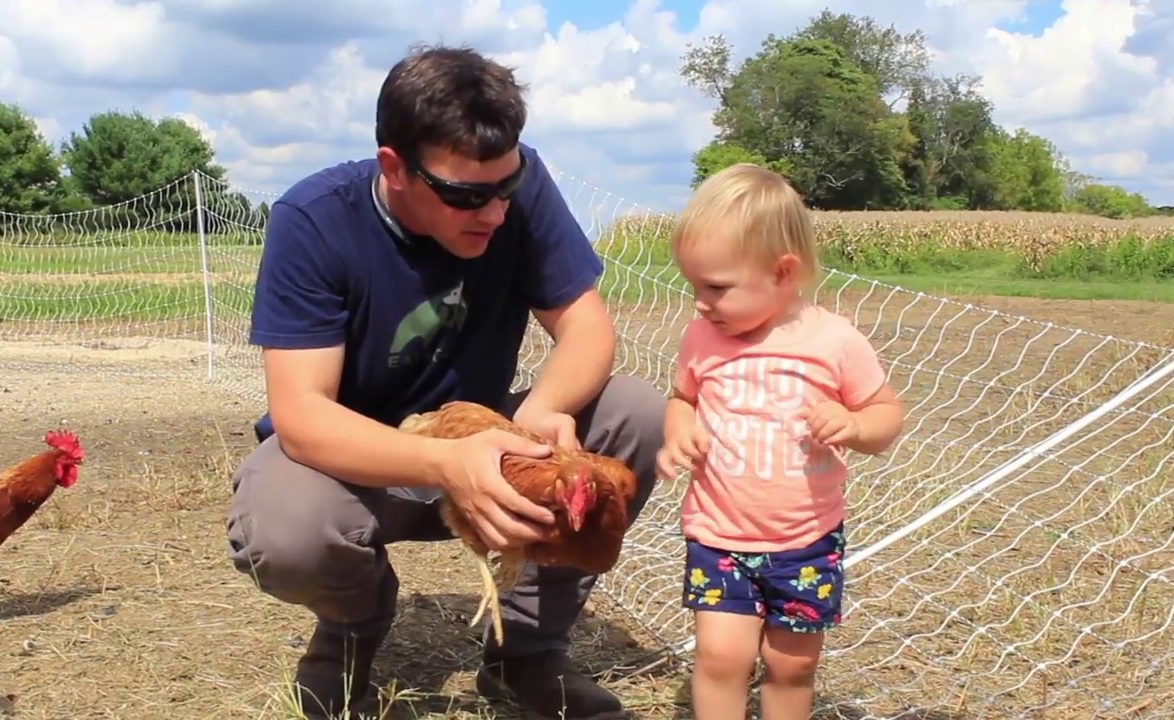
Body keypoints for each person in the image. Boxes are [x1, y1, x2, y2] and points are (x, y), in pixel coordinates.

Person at [225, 43, 665, 720]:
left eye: (506, 189)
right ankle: (348, 641)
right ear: (394, 168)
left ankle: (525, 654)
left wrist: (540, 414)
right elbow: (302, 414)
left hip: (486, 450)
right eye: (466, 195)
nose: (494, 212)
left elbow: (589, 331)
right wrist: (447, 463)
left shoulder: (520, 189)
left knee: (634, 411)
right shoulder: (314, 220)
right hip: (356, 467)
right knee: (285, 531)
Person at [656, 164, 905, 720]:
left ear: (782, 271)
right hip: (719, 536)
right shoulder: (703, 336)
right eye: (693, 285)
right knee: (721, 657)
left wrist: (856, 424)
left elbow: (888, 415)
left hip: (806, 541)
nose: (700, 302)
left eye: (716, 287)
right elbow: (682, 397)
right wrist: (679, 431)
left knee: (791, 666)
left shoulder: (833, 341)